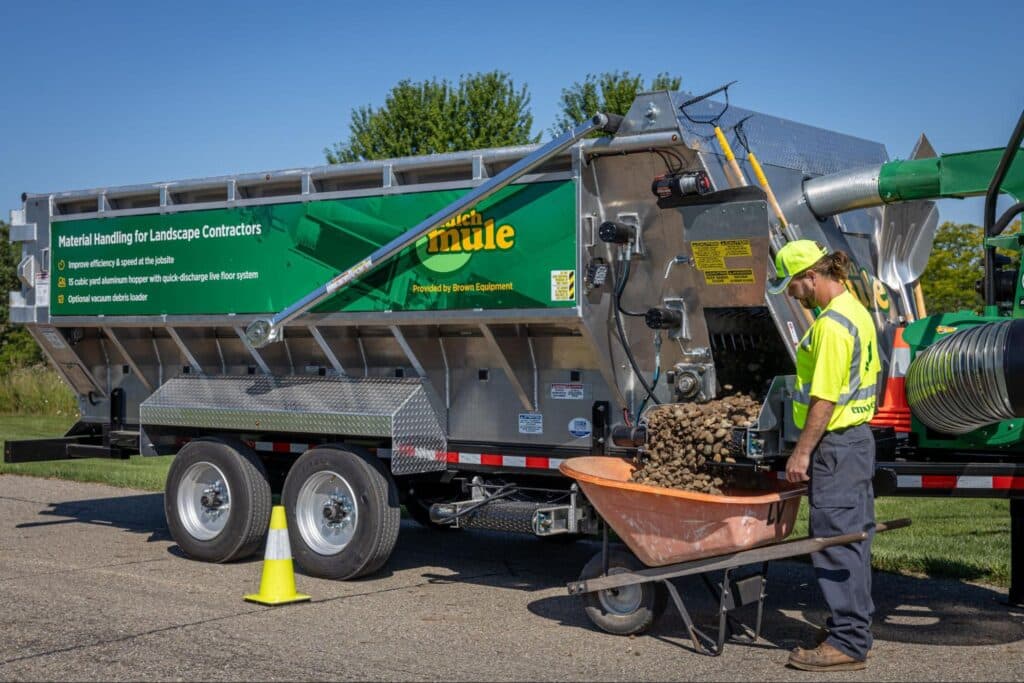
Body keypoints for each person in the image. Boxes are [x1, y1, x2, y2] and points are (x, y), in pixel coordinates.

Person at [766, 240, 881, 672]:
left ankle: (848, 643)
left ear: (810, 277)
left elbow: (825, 399)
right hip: (855, 443)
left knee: (835, 542)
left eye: (792, 285)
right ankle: (851, 630)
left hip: (835, 446)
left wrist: (801, 453)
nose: (791, 294)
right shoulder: (856, 311)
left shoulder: (832, 326)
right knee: (854, 538)